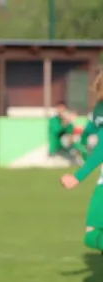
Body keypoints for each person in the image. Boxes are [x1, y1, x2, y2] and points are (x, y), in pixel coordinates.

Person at [60, 71, 103, 252]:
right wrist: (82, 143)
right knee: (92, 234)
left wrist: (78, 177)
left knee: (92, 232)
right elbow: (89, 132)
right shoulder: (99, 108)